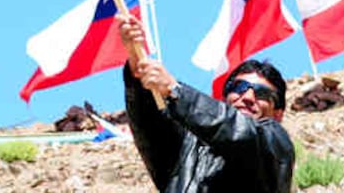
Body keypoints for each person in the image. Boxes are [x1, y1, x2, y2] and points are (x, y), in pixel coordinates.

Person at [117, 13, 295, 193]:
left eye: (262, 93)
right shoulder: (187, 151)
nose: (248, 96)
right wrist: (137, 66)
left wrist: (174, 90)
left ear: (278, 113)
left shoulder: (275, 145)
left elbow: (242, 134)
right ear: (225, 99)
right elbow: (150, 127)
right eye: (240, 87)